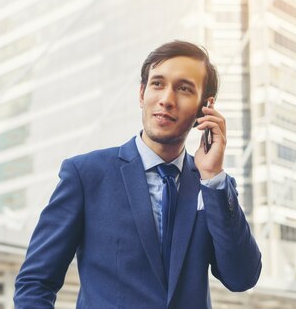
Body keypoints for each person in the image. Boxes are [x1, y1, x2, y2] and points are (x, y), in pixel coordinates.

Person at [14, 40, 262, 308]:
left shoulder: (212, 186)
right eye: (157, 84)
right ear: (142, 94)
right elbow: (35, 282)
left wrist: (213, 177)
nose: (166, 99)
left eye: (184, 88)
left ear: (206, 106)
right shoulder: (86, 175)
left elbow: (241, 278)